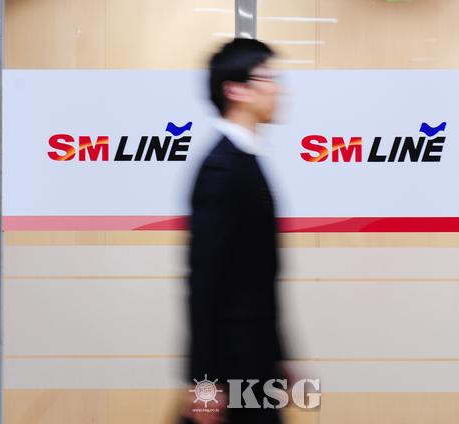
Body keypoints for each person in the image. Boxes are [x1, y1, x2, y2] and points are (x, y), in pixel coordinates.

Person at [181, 38, 286, 424]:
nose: (278, 89)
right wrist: (204, 382)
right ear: (236, 90)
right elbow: (205, 279)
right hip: (232, 367)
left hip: (256, 362)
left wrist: (279, 357)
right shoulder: (221, 169)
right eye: (267, 79)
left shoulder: (247, 160)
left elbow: (258, 279)